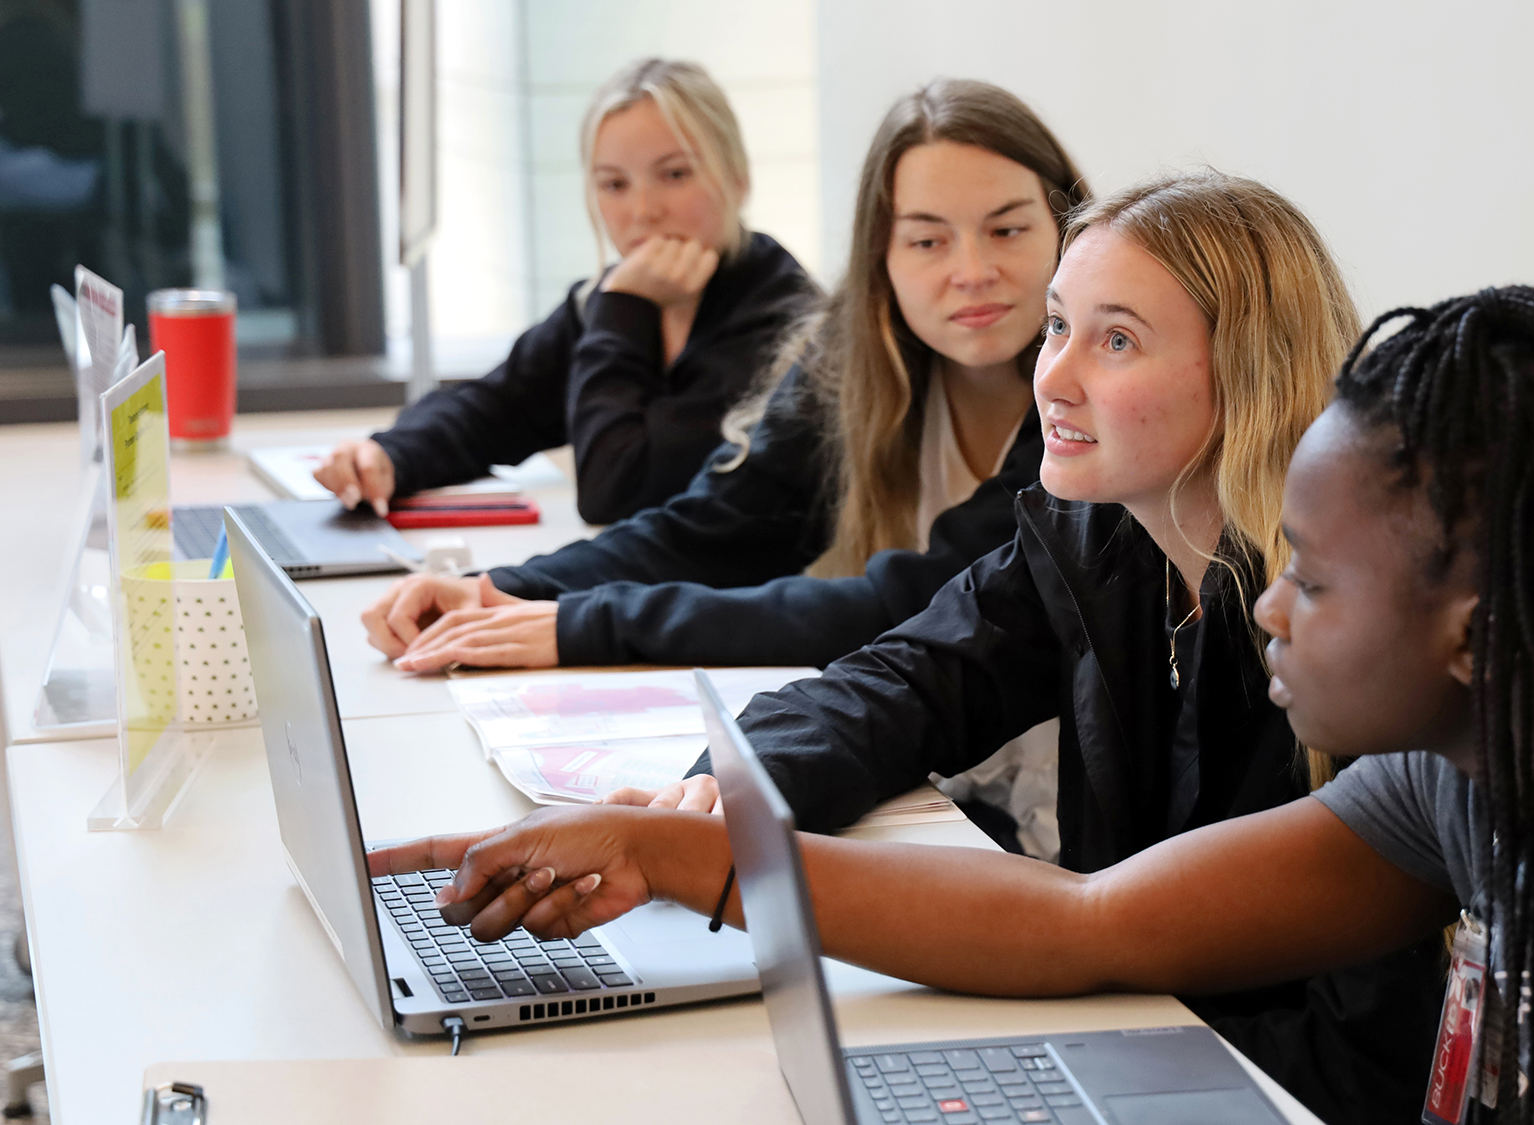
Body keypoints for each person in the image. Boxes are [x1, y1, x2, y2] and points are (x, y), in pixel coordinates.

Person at [375, 287, 1534, 1124]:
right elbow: (1091, 928)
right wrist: (695, 860)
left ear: (1473, 626)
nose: (1271, 606)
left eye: (1313, 576)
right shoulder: (1480, 757)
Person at [384, 171, 1449, 1125]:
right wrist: (711, 801)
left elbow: (1356, 1056)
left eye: (1114, 340)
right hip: (1137, 1040)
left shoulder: (1345, 640)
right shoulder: (1091, 538)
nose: (1055, 380)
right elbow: (898, 682)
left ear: (1249, 373)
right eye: (1056, 329)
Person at [360, 78, 1091, 860]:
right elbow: (715, 527)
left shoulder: (1086, 406)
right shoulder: (852, 363)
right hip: (938, 785)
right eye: (927, 240)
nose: (971, 270)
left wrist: (590, 623)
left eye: (1007, 231)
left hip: (1066, 821)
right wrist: (511, 590)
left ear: (1068, 231)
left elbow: (901, 604)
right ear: (881, 255)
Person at [314, 58, 817, 524]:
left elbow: (614, 490)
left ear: (738, 179)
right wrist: (389, 454)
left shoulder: (788, 330)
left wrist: (625, 309)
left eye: (675, 175)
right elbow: (493, 409)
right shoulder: (608, 300)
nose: (642, 211)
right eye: (614, 185)